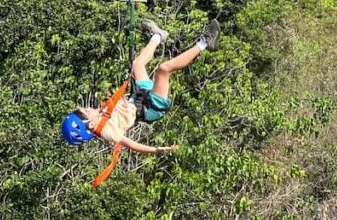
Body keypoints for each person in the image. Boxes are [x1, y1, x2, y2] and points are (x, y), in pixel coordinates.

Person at [60, 18, 221, 154]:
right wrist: (158, 150)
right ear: (91, 124)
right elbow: (132, 145)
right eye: (86, 112)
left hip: (138, 98)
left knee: (137, 64)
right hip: (151, 107)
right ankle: (206, 42)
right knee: (163, 70)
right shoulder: (108, 132)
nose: (88, 108)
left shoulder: (101, 117)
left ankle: (158, 36)